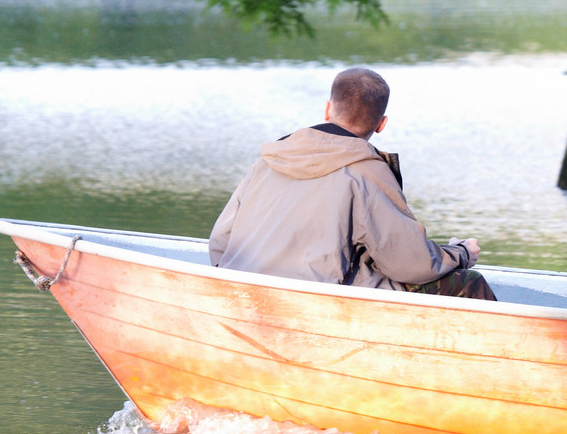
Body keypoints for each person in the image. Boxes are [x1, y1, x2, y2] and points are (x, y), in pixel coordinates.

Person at [209, 67, 496, 301]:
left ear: (327, 109)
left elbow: (220, 243)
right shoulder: (368, 172)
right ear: (381, 123)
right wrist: (460, 254)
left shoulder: (268, 160)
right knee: (468, 283)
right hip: (319, 301)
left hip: (241, 290)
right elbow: (410, 264)